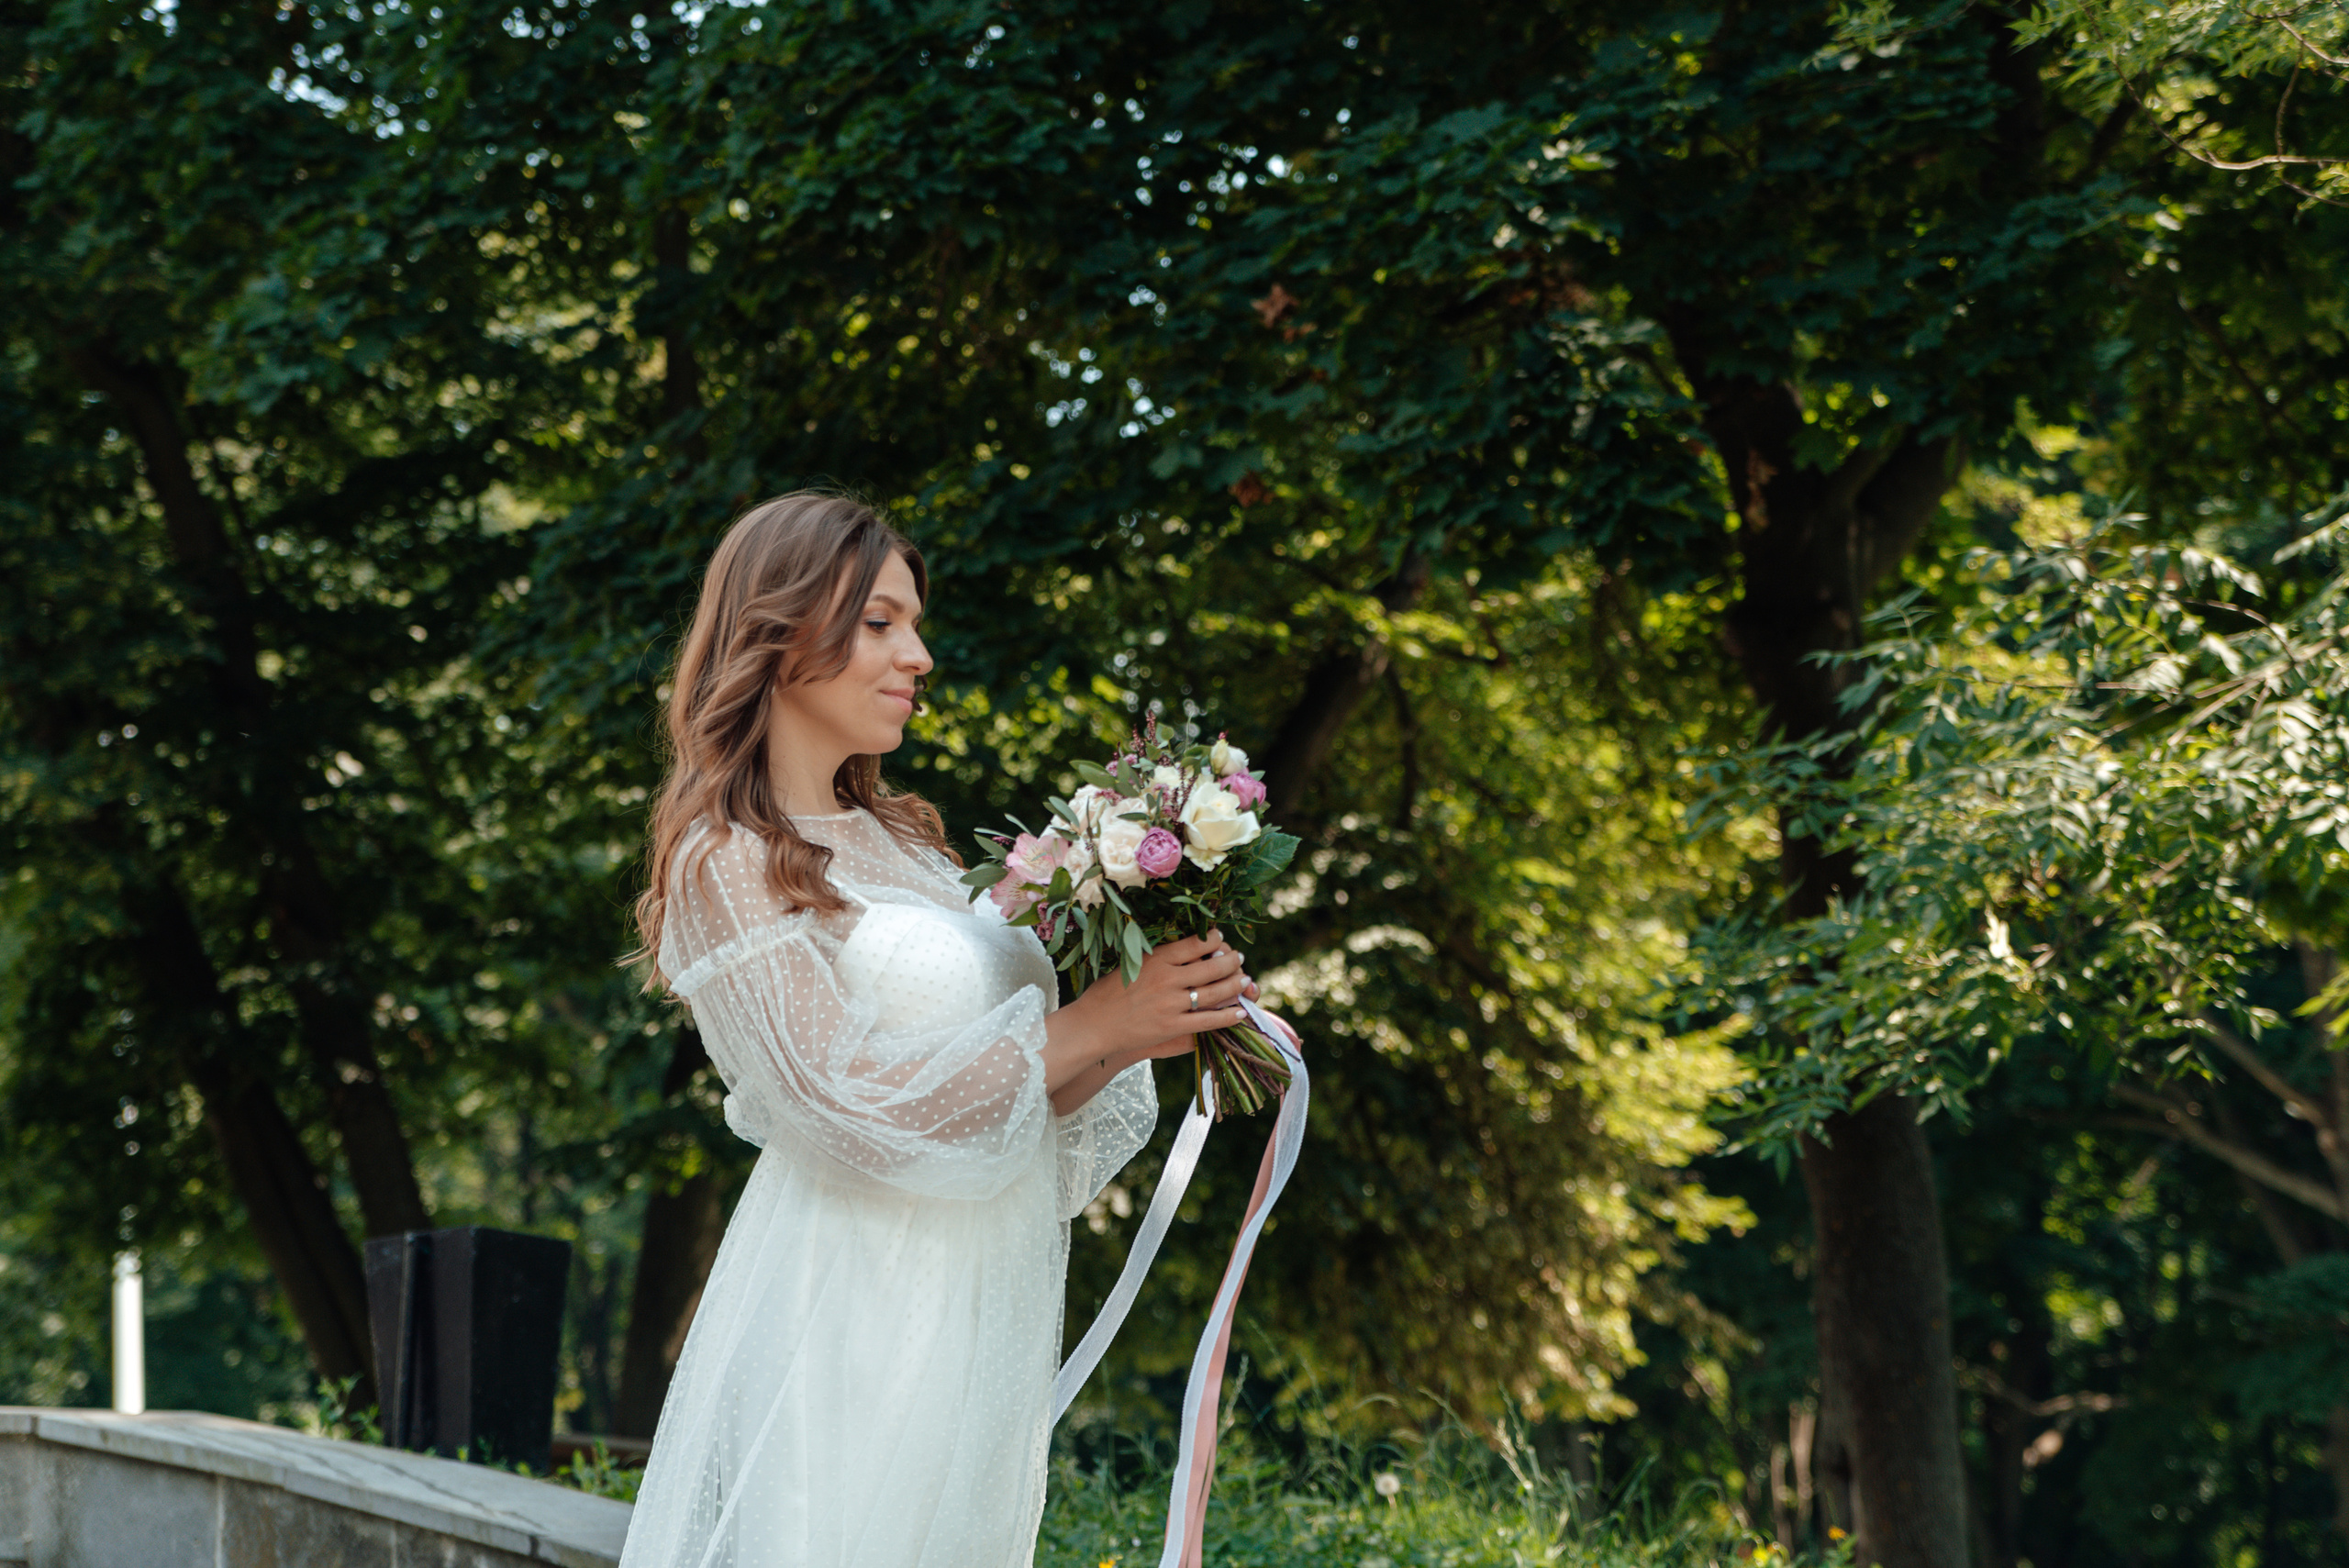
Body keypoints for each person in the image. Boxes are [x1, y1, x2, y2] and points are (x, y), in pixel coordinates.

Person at [618, 492, 1257, 1568]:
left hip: (976, 1289)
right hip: (851, 1302)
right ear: (778, 632)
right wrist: (1095, 1020)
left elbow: (996, 1102)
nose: (917, 655)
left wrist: (1141, 1019)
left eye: (912, 624)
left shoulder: (904, 839)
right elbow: (847, 1105)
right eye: (879, 622)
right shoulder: (722, 857)